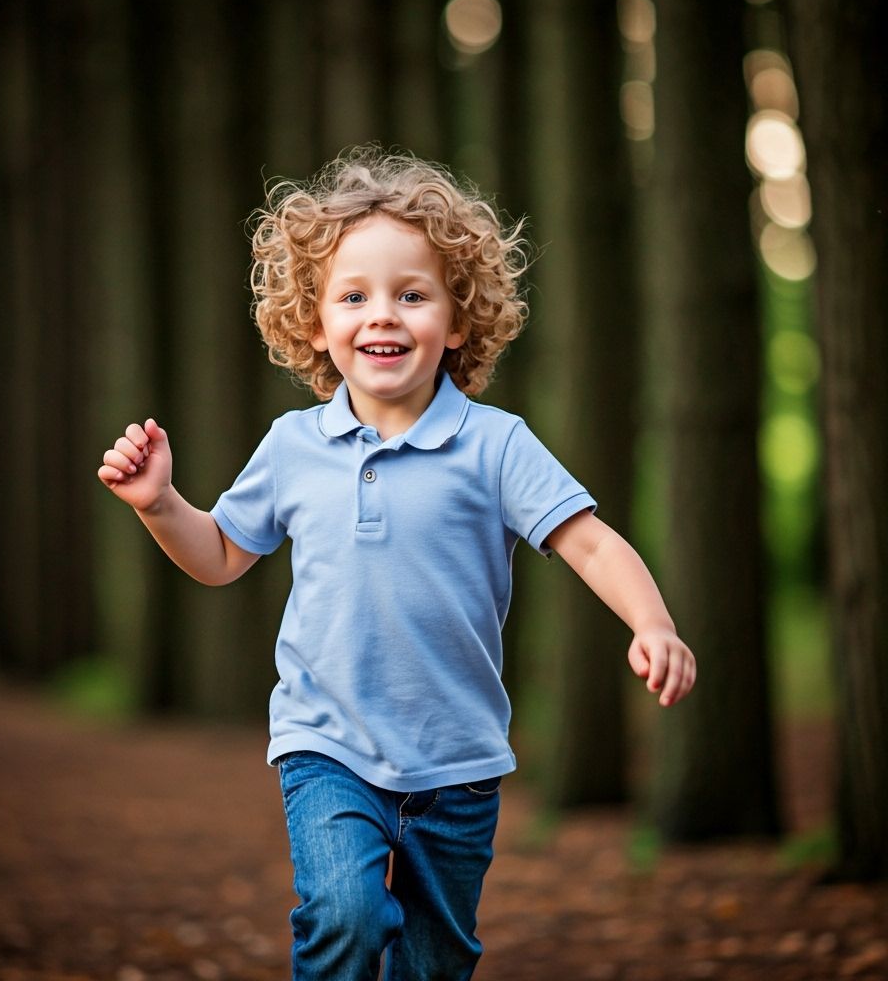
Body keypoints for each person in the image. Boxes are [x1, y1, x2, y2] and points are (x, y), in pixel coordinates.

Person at [97, 148, 696, 981]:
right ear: (314, 323)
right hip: (327, 743)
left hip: (458, 758)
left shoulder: (496, 445)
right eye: (354, 296)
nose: (383, 315)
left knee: (434, 957)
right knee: (343, 915)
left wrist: (653, 621)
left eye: (412, 295)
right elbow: (225, 554)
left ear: (458, 320)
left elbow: (588, 539)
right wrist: (162, 505)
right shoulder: (294, 446)